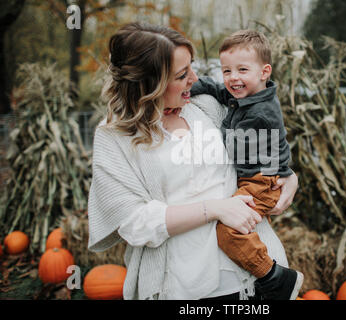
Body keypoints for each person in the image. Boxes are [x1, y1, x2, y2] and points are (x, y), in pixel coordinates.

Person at [87, 22, 299, 300]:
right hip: (181, 285)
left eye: (192, 67)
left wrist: (288, 176)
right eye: (181, 75)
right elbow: (134, 223)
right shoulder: (114, 136)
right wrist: (214, 209)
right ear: (151, 83)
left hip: (251, 279)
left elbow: (261, 142)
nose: (194, 78)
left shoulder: (205, 107)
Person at [189, 29, 303, 300]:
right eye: (226, 70)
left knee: (229, 231)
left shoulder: (261, 113)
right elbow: (218, 90)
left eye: (242, 69)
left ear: (264, 72)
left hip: (262, 180)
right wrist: (192, 87)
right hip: (256, 177)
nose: (232, 78)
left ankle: (275, 277)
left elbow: (228, 152)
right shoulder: (247, 94)